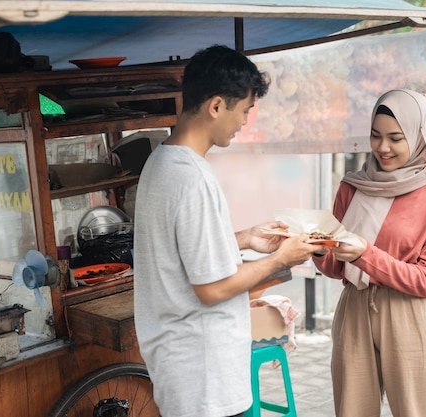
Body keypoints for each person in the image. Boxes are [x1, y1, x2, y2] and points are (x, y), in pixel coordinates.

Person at [133, 45, 320, 417]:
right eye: (245, 110)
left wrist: (244, 237)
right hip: (203, 375)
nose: (244, 122)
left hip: (183, 367)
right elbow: (213, 288)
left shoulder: (162, 161)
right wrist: (282, 259)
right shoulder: (193, 178)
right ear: (216, 106)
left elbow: (179, 251)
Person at [312, 89, 426, 417]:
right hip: (354, 310)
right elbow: (338, 268)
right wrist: (321, 250)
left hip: (410, 314)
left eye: (395, 138)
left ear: (419, 137)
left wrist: (365, 253)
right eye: (375, 136)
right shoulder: (353, 186)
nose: (382, 148)